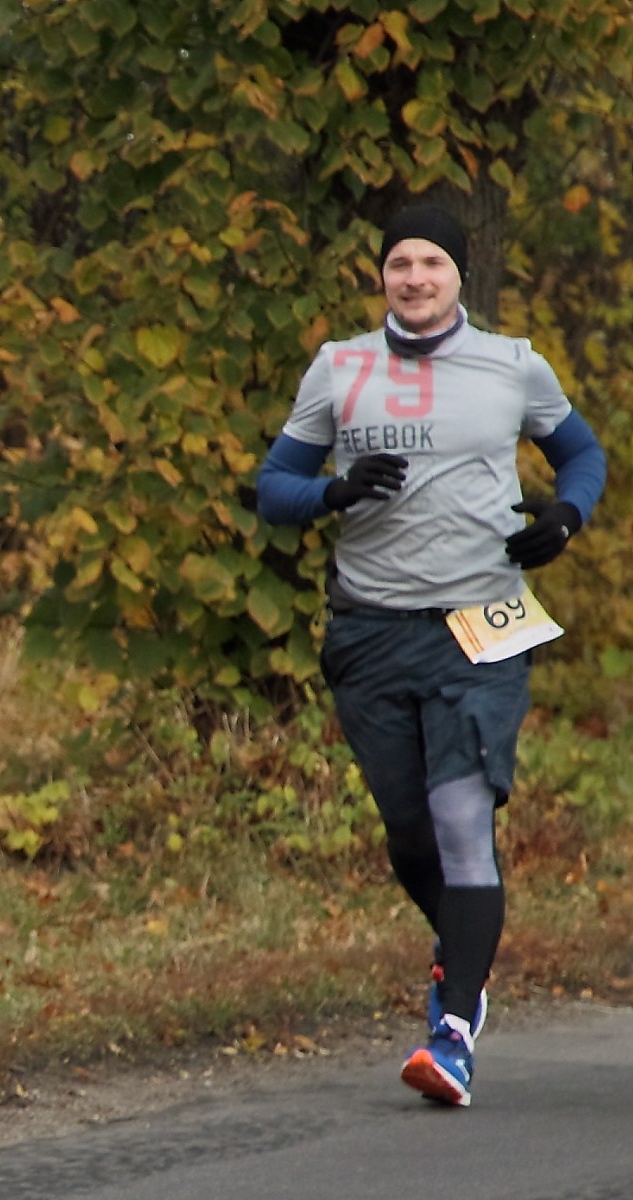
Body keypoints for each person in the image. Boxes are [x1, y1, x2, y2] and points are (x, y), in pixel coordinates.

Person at [256, 203, 606, 1106]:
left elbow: (582, 456)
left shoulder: (513, 364)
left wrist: (566, 519)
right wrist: (332, 494)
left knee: (461, 820)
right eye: (400, 264)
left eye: (432, 263)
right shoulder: (339, 368)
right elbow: (274, 488)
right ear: (382, 276)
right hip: (370, 628)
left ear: (459, 275)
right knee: (410, 833)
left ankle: (452, 1034)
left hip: (481, 623)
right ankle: (464, 953)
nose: (415, 278)